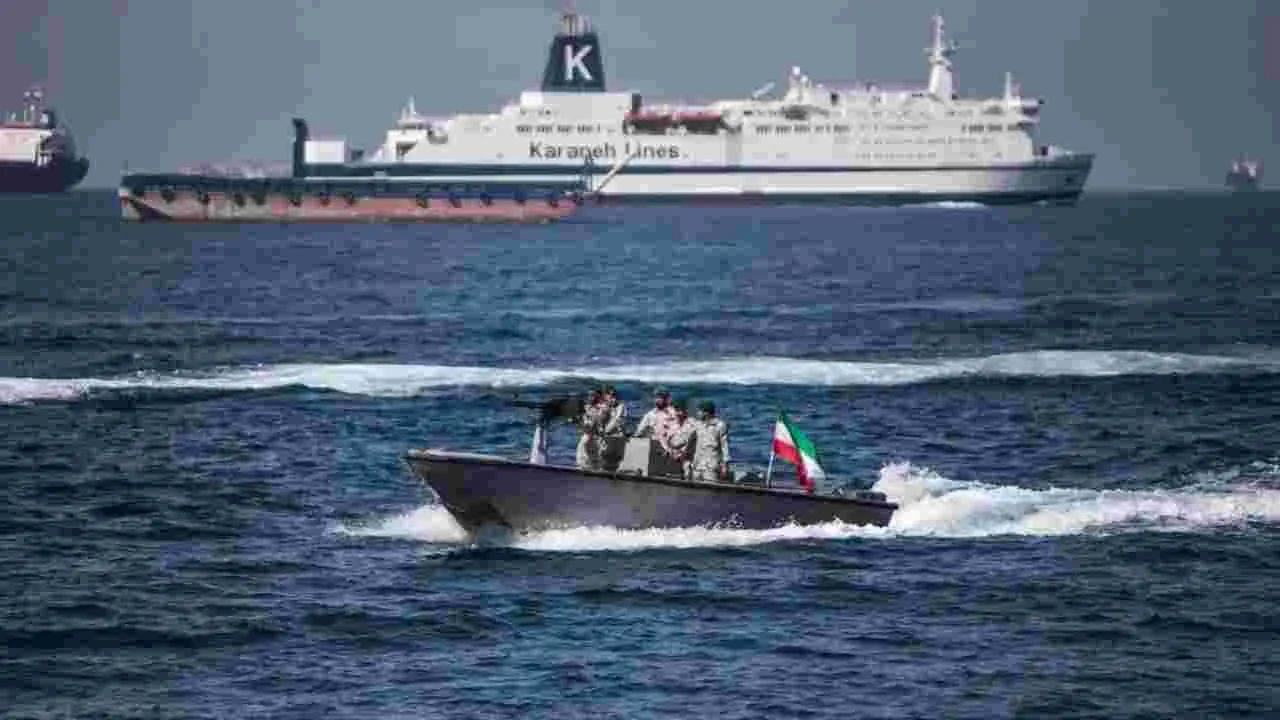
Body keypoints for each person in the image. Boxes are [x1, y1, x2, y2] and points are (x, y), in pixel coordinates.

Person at [689, 400, 730, 483]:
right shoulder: (697, 424)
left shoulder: (720, 425)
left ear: (706, 412)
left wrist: (725, 465)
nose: (697, 413)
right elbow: (688, 440)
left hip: (710, 466)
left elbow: (724, 446)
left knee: (709, 488)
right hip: (697, 465)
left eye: (699, 411)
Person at [575, 387, 606, 471]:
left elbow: (593, 424)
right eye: (589, 395)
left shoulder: (600, 409)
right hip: (588, 436)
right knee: (584, 460)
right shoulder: (586, 407)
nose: (590, 397)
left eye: (592, 395)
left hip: (594, 437)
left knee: (591, 461)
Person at [666, 398, 697, 480]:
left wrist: (684, 452)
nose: (677, 413)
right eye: (676, 410)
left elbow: (692, 441)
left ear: (685, 411)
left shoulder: (693, 424)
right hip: (673, 461)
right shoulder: (672, 425)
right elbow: (669, 442)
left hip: (688, 461)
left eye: (680, 410)